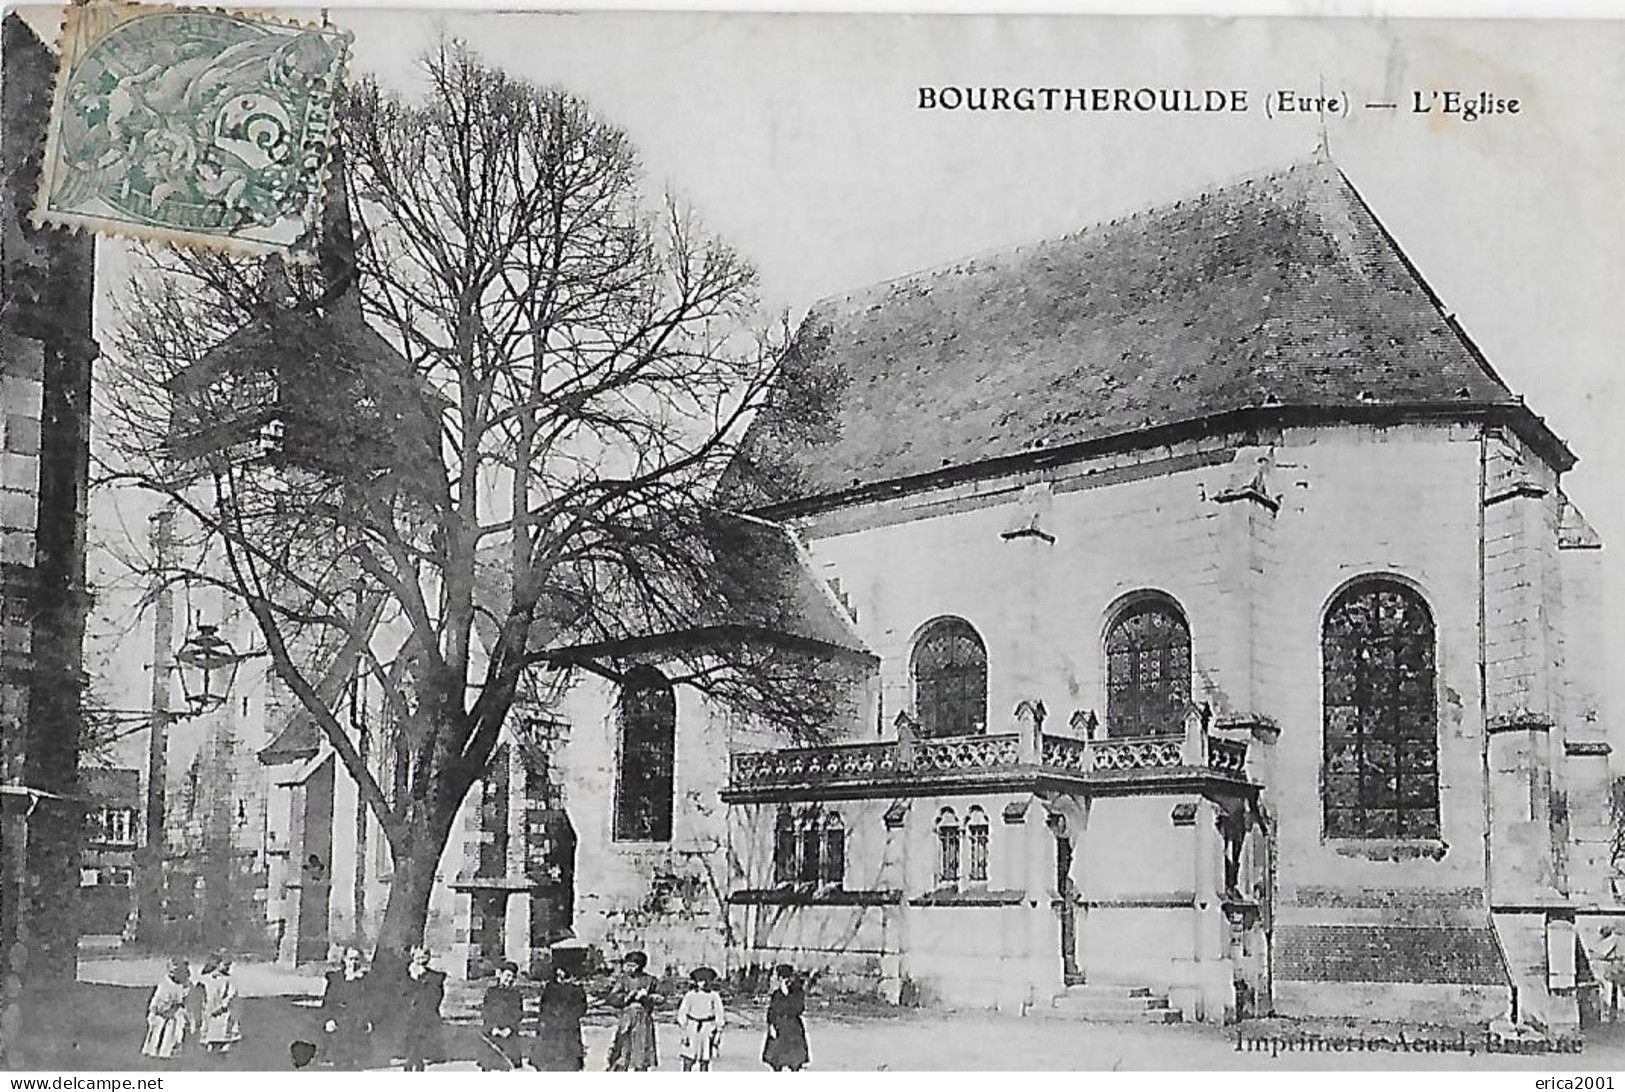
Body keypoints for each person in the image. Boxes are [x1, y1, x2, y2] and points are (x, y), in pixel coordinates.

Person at [606, 950, 660, 1071]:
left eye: (631, 965)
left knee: (641, 1052)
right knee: (623, 1050)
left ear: (639, 966)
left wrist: (647, 997)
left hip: (643, 1020)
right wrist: (627, 997)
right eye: (627, 965)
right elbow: (611, 998)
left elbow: (661, 998)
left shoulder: (650, 980)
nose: (628, 968)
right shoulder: (623, 980)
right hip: (627, 1018)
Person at [320, 947, 373, 1069]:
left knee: (357, 1064)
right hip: (340, 1025)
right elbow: (328, 1002)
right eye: (350, 959)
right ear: (344, 960)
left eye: (356, 959)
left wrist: (369, 1021)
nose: (353, 962)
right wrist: (329, 1019)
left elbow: (369, 1003)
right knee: (340, 1062)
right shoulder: (336, 979)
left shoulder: (365, 981)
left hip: (357, 1026)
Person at [532, 962, 589, 1072]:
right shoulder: (549, 988)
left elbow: (581, 1008)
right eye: (559, 971)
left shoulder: (577, 990)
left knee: (569, 1061)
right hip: (551, 1028)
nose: (561, 974)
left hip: (569, 1028)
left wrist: (568, 1016)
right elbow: (543, 1007)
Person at [397, 946, 447, 1072]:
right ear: (413, 958)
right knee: (409, 1048)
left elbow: (437, 996)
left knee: (420, 1048)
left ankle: (419, 1066)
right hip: (408, 1016)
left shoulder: (434, 977)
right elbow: (401, 995)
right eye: (418, 958)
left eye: (424, 957)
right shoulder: (405, 976)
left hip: (425, 1016)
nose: (421, 961)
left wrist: (422, 979)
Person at [141, 957, 193, 1060]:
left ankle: (171, 1052)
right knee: (161, 1030)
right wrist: (165, 1010)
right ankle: (156, 1051)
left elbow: (186, 1003)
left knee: (176, 1028)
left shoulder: (185, 986)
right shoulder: (165, 985)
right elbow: (157, 1004)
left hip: (175, 1014)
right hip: (161, 1014)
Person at [677, 967, 726, 1072]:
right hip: (692, 1027)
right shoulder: (690, 995)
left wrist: (718, 1031)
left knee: (705, 1058)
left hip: (707, 1028)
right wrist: (684, 1030)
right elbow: (683, 1012)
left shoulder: (713, 996)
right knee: (688, 1057)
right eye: (698, 981)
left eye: (703, 981)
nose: (700, 984)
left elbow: (719, 1013)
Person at [479, 960, 525, 1070]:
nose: (509, 979)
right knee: (490, 1066)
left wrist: (509, 1029)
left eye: (512, 977)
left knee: (509, 1066)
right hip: (492, 1035)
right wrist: (494, 1028)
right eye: (507, 975)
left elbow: (518, 1014)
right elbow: (486, 1012)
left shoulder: (516, 994)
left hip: (509, 1035)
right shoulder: (491, 992)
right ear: (500, 974)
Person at [761, 964, 808, 1072]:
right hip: (778, 1027)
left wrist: (786, 994)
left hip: (793, 1028)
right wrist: (771, 1026)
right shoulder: (777, 994)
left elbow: (798, 1009)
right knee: (776, 1061)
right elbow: (772, 1011)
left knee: (794, 1061)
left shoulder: (798, 993)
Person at [198, 953, 241, 1054]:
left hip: (223, 1009)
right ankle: (210, 1044)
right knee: (209, 1025)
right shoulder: (206, 979)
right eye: (224, 964)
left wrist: (224, 1005)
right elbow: (200, 989)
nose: (227, 967)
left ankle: (224, 1044)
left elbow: (232, 993)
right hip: (210, 1006)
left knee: (224, 1025)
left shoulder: (228, 980)